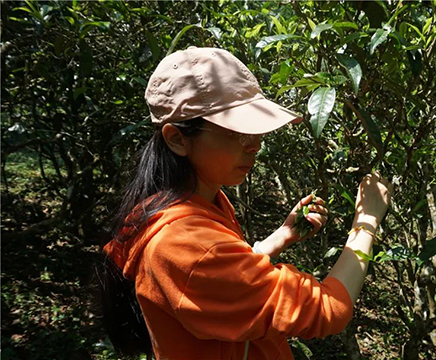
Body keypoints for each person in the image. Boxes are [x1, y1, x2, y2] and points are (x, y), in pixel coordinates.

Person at [98, 47, 394, 360]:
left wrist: (279, 238)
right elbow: (328, 310)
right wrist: (367, 220)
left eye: (254, 129)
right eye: (236, 132)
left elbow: (216, 281)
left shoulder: (190, 204)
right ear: (177, 139)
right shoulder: (180, 242)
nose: (255, 144)